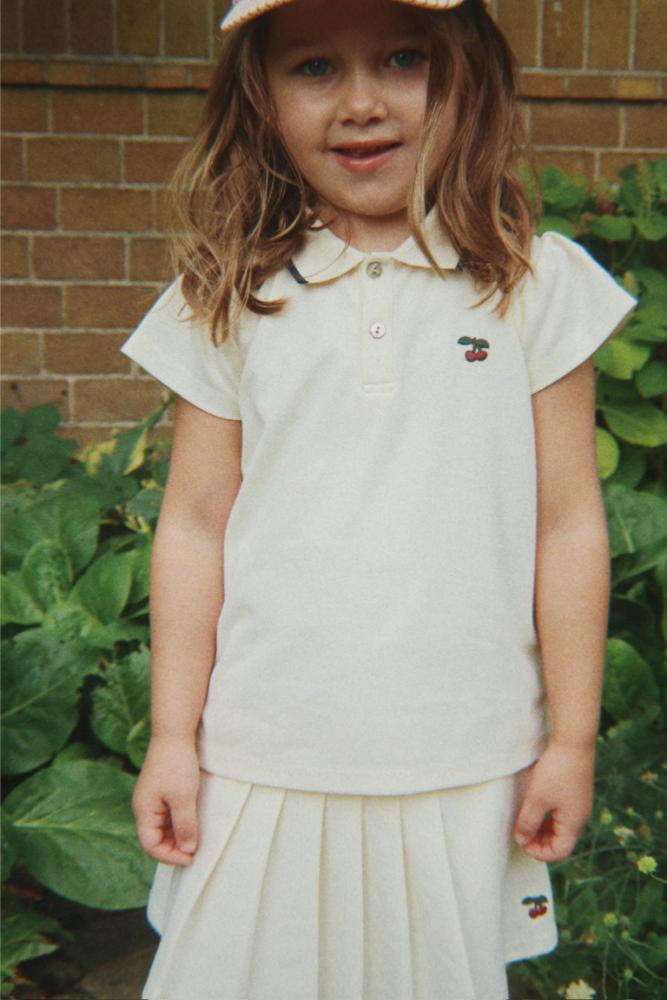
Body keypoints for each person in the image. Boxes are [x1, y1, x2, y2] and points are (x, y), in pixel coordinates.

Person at [121, 1, 638, 997]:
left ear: (466, 76)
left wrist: (570, 740)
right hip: (262, 752)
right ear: (259, 99)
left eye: (403, 59)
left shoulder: (532, 282)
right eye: (314, 67)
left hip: (461, 752)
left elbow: (567, 524)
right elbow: (192, 525)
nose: (360, 103)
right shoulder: (229, 292)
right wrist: (173, 737)